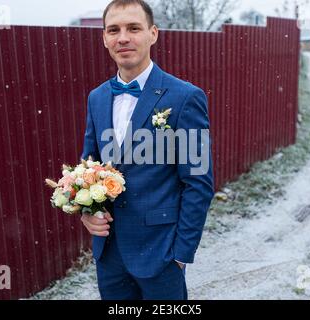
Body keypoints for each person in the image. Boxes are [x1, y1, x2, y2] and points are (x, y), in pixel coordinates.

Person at [80, 0, 214, 300]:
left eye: (134, 28)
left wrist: (180, 254)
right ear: (104, 38)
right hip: (110, 256)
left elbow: (198, 182)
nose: (123, 37)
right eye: (113, 30)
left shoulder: (185, 98)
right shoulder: (97, 98)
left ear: (153, 33)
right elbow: (88, 168)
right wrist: (87, 212)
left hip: (161, 253)